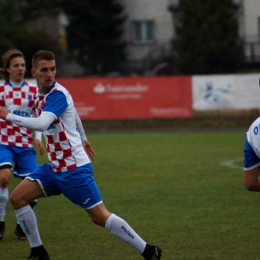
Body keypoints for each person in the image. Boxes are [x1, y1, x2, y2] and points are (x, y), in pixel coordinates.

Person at [0, 50, 162, 260]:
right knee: (18, 198)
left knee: (99, 217)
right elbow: (74, 113)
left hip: (74, 170)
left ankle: (149, 251)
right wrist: (83, 137)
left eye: (53, 69)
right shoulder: (39, 95)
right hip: (54, 168)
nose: (49, 73)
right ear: (34, 72)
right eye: (44, 70)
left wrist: (8, 115)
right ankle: (38, 252)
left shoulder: (57, 94)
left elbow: (41, 123)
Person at [0, 49, 45, 241]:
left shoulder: (33, 90)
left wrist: (38, 138)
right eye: (16, 65)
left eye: (22, 65)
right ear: (7, 69)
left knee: (34, 190)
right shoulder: (1, 89)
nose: (20, 68)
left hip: (25, 145)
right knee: (3, 178)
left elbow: (40, 117)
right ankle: (0, 221)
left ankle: (21, 226)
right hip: (3, 142)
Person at [243, 117, 260, 192]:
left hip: (253, 135)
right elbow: (251, 184)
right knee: (251, 183)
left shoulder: (254, 127)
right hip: (253, 137)